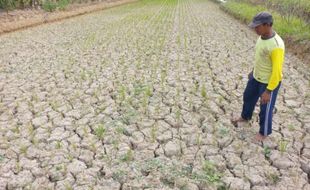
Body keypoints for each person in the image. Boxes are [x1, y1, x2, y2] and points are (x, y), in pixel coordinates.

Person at [232, 12, 285, 142]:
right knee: (248, 97)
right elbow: (261, 58)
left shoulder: (276, 46)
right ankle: (245, 117)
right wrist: (253, 71)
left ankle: (264, 132)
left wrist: (268, 91)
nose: (255, 29)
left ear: (267, 25)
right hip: (256, 77)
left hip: (268, 83)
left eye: (258, 26)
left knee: (265, 109)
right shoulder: (261, 37)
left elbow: (277, 72)